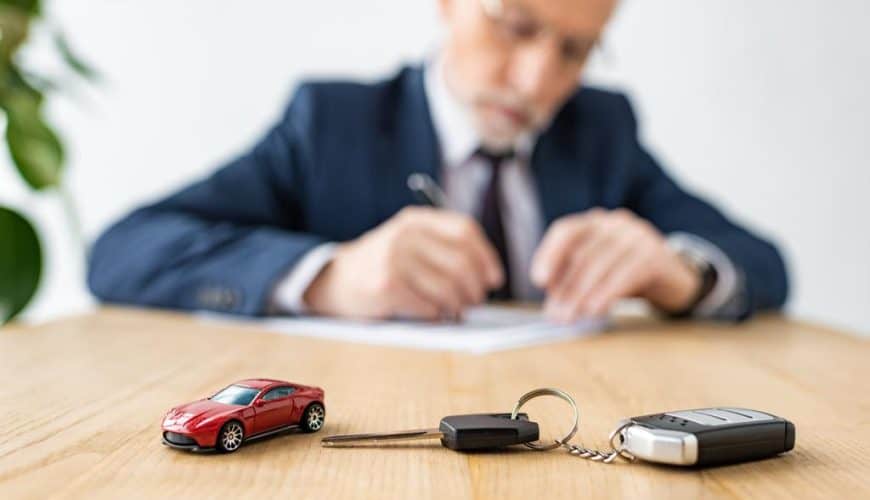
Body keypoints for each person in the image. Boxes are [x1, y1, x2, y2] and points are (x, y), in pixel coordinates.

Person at [87, 0, 788, 323]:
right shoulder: (331, 124)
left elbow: (764, 262)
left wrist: (681, 273)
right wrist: (329, 277)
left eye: (575, 51)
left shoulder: (600, 131)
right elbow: (122, 250)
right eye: (515, 26)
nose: (539, 79)